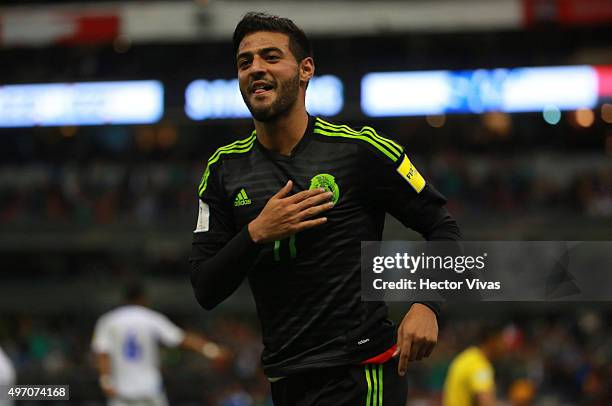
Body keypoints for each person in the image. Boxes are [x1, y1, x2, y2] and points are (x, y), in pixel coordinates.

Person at [190, 12, 461, 405]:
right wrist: (255, 234)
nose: (256, 69)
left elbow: (444, 227)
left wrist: (427, 305)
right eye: (245, 61)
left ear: (305, 70)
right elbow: (204, 287)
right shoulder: (222, 171)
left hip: (362, 374)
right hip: (285, 380)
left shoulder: (359, 150)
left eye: (270, 57)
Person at [91, 282, 226, 406]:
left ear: (124, 299)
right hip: (149, 388)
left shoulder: (108, 320)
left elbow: (102, 353)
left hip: (121, 390)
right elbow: (180, 338)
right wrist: (211, 350)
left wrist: (106, 381)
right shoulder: (150, 317)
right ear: (143, 298)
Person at [442, 324, 508, 406]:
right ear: (492, 341)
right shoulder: (479, 366)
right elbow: (486, 402)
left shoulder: (468, 357)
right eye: (502, 341)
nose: (505, 346)